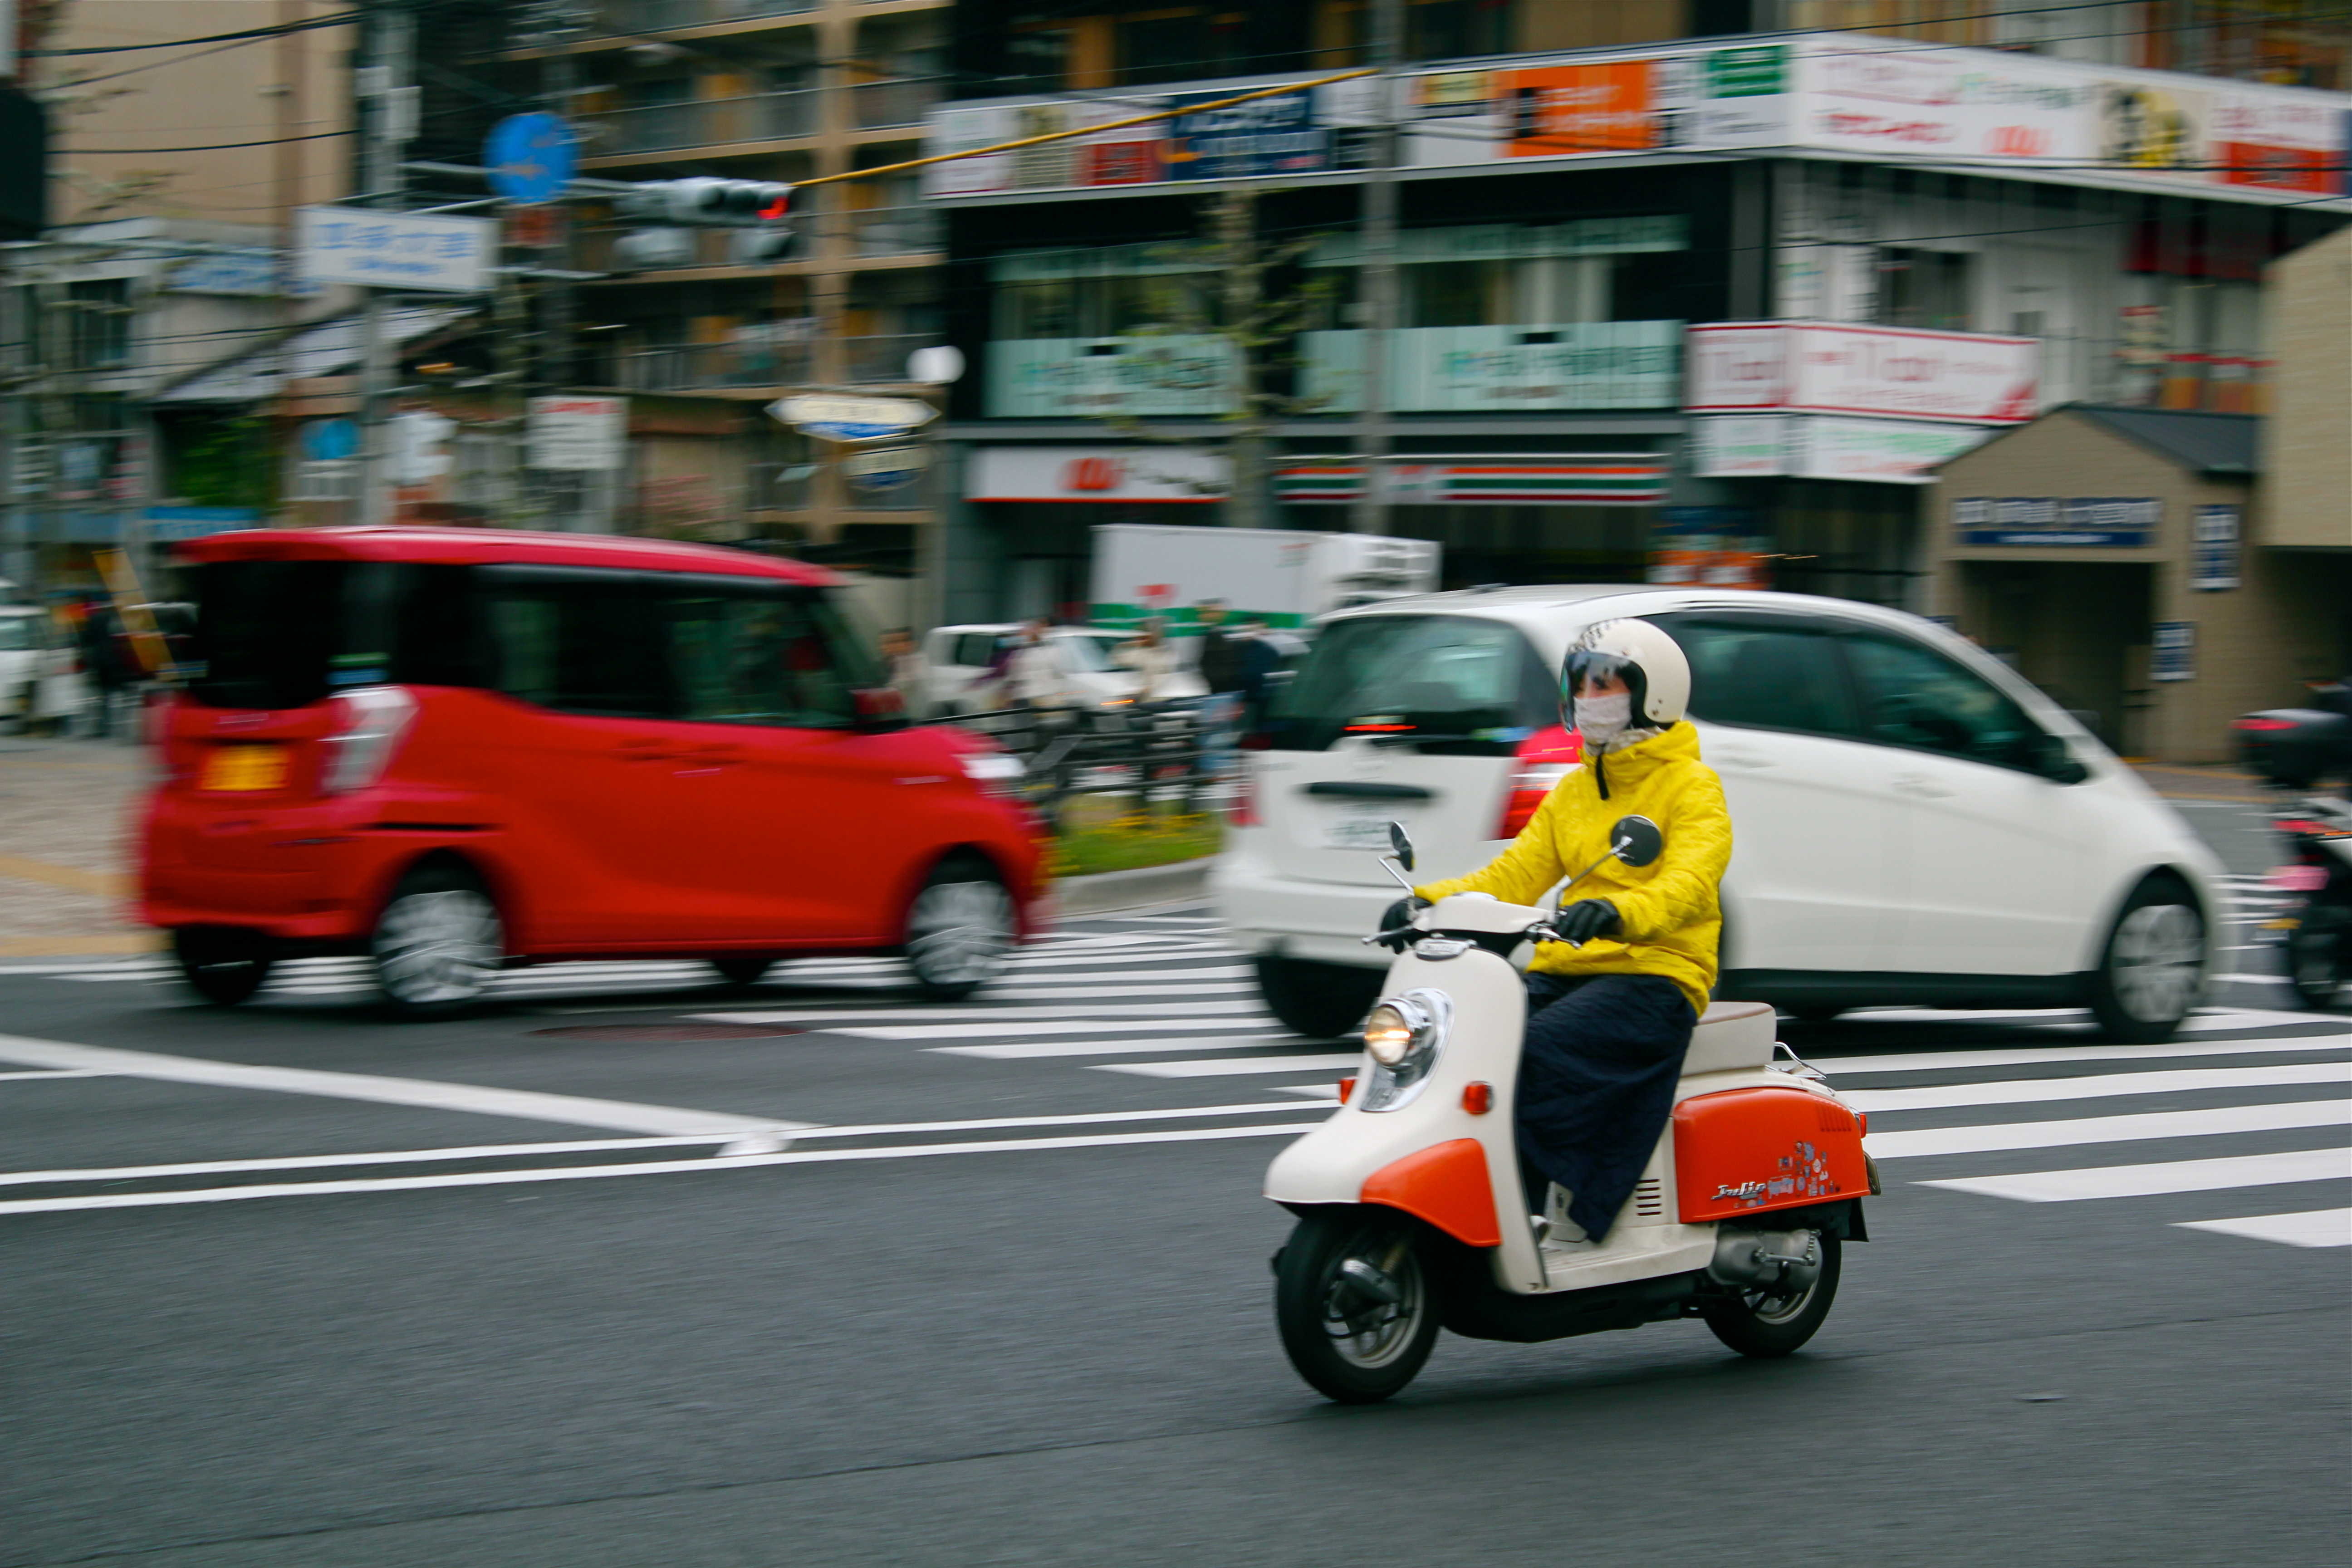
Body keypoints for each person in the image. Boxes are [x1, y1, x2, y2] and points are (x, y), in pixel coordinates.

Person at [1383, 618, 1732, 1246]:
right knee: (1456, 1044)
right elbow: (1515, 874)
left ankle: (1533, 1211)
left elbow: (1692, 883)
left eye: (1606, 681)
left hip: (1655, 977)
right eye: (1581, 681)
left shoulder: (1692, 786)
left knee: (1531, 1056)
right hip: (1566, 968)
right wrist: (1425, 903)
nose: (1589, 695)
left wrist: (1622, 912)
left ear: (1652, 693)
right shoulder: (1573, 790)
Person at [1194, 598, 1246, 774]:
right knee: (1215, 731)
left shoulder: (1217, 634)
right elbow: (1205, 663)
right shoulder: (1213, 635)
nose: (1212, 614)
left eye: (1215, 611)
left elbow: (1206, 663)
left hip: (1221, 692)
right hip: (1219, 692)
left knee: (1217, 731)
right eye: (1209, 611)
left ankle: (1214, 767)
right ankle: (1212, 768)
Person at [1114, 617, 1181, 706]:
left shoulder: (1168, 654)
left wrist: (1148, 689)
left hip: (1162, 700)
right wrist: (1126, 646)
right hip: (1143, 700)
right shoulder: (1140, 653)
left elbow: (1165, 676)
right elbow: (1117, 659)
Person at [880, 627, 931, 720]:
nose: (896, 646)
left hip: (914, 716)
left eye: (901, 641)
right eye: (888, 643)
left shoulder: (918, 661)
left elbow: (909, 683)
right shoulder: (886, 663)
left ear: (912, 644)